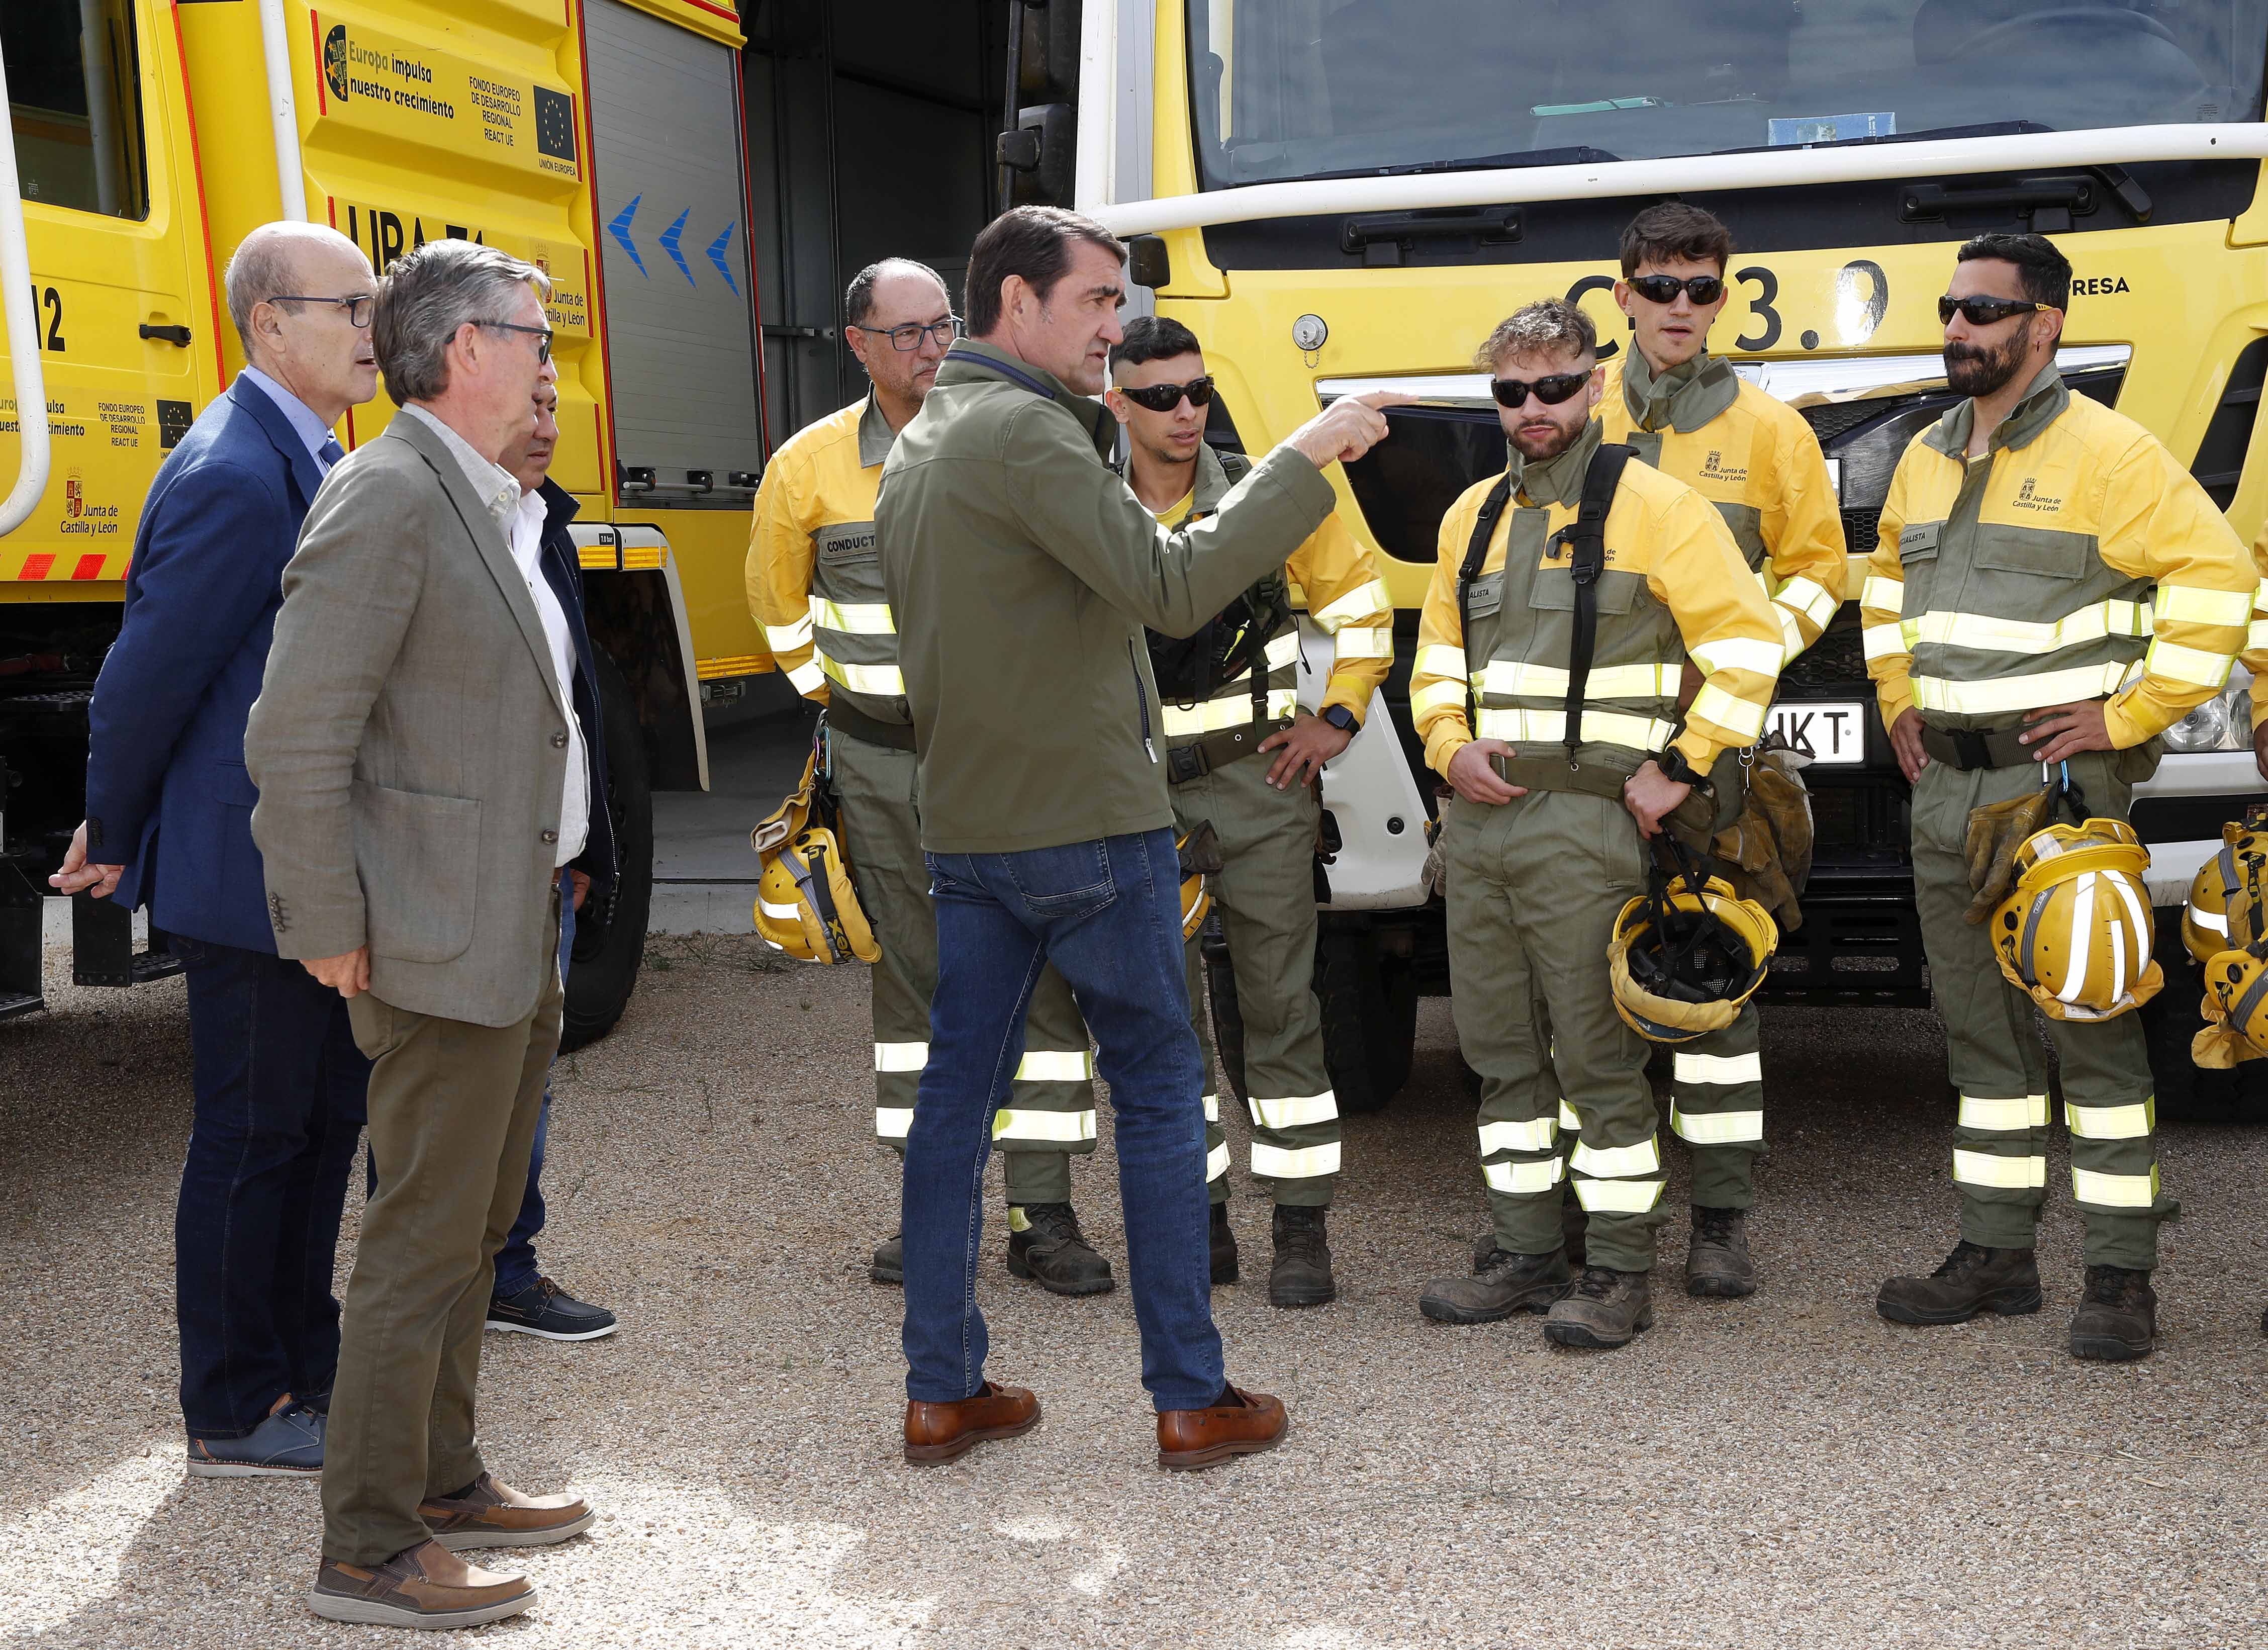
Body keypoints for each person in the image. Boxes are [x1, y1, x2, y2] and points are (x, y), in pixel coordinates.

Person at [875, 204, 1400, 1467]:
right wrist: (1306, 459)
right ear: (1017, 303)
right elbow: (1171, 587)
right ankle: (1189, 1395)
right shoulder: (1025, 436)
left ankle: (943, 1390)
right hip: (1090, 829)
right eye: (1098, 301)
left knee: (958, 1103)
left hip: (970, 829)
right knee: (1162, 1094)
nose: (1116, 327)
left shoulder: (923, 441)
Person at [247, 239, 597, 1629]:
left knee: (475, 1227)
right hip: (435, 941)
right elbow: (297, 733)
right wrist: (325, 922)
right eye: (537, 337)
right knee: (419, 1240)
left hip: (507, 927)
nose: (550, 363)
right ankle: (370, 1544)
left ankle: (444, 1477)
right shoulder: (389, 496)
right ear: (466, 351)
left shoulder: (488, 499)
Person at [1863, 233, 2255, 1362]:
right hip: (1947, 785)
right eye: (1951, 308)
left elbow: (2219, 579)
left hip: (2062, 796)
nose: (1959, 330)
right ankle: (1996, 1254)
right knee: (1979, 1042)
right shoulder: (1927, 452)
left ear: (2046, 325)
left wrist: (2129, 719)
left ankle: (2123, 1275)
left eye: (1984, 311)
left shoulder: (2114, 454)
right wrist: (1895, 693)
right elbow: (1887, 578)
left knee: (2092, 1033)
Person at [53, 222, 378, 1478]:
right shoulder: (238, 474)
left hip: (299, 874)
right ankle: (234, 1405)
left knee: (315, 1125)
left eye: (370, 305)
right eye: (343, 308)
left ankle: (306, 1360)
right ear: (266, 324)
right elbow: (145, 680)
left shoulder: (300, 454)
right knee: (254, 1137)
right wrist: (116, 830)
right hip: (246, 879)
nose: (367, 329)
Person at [1409, 298, 1783, 1350]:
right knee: (1497, 1057)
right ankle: (1527, 1254)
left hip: (1590, 825)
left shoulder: (1658, 507)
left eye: (1556, 387)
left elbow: (1748, 644)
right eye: (1512, 392)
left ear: (1597, 383)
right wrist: (1445, 746)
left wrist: (1683, 765)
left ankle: (1618, 1270)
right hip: (1480, 829)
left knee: (1597, 1058)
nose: (1534, 409)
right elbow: (1436, 659)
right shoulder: (1471, 515)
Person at [746, 257, 1111, 1296]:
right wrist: (849, 703)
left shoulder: (1019, 439)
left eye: (943, 325)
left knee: (1042, 980)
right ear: (857, 345)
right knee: (913, 980)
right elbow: (777, 611)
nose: (930, 349)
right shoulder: (808, 469)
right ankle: (931, 1208)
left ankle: (1046, 1217)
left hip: (1019, 762)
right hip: (883, 762)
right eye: (904, 333)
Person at [1105, 315, 1393, 1309]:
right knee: (1161, 1025)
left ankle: (1302, 1227)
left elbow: (1362, 611)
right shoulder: (1091, 510)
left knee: (1283, 1011)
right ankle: (1203, 1224)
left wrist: (1338, 719)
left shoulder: (1267, 501)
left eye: (1199, 394)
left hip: (1262, 791)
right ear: (1118, 403)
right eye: (1160, 397)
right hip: (1140, 799)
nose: (1185, 413)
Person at [1595, 202, 1848, 1298]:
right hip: (1592, 753)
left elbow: (1819, 575)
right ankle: (1597, 1214)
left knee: (1714, 977)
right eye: (1660, 287)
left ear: (1725, 295)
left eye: (1703, 288)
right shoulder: (1576, 409)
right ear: (1623, 296)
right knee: (1583, 984)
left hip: (1715, 754)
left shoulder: (1769, 430)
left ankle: (1721, 1222)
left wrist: (1742, 654)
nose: (1681, 308)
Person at [483, 379, 621, 1342]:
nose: (547, 426)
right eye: (527, 404)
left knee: (526, 1085)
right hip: (471, 871)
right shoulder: (440, 524)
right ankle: (448, 1284)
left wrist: (587, 846)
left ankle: (505, 1269)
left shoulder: (547, 526)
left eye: (554, 406)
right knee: (453, 1099)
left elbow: (577, 708)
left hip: (547, 867)